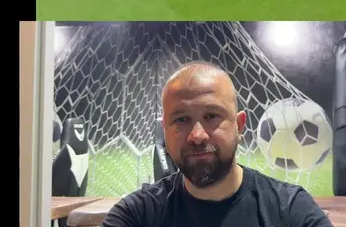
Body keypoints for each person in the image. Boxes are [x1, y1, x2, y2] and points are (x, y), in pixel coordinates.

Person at [102, 62, 331, 227]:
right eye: (181, 120)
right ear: (165, 131)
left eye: (211, 116)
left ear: (239, 126)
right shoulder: (136, 216)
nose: (197, 135)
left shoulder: (291, 211)